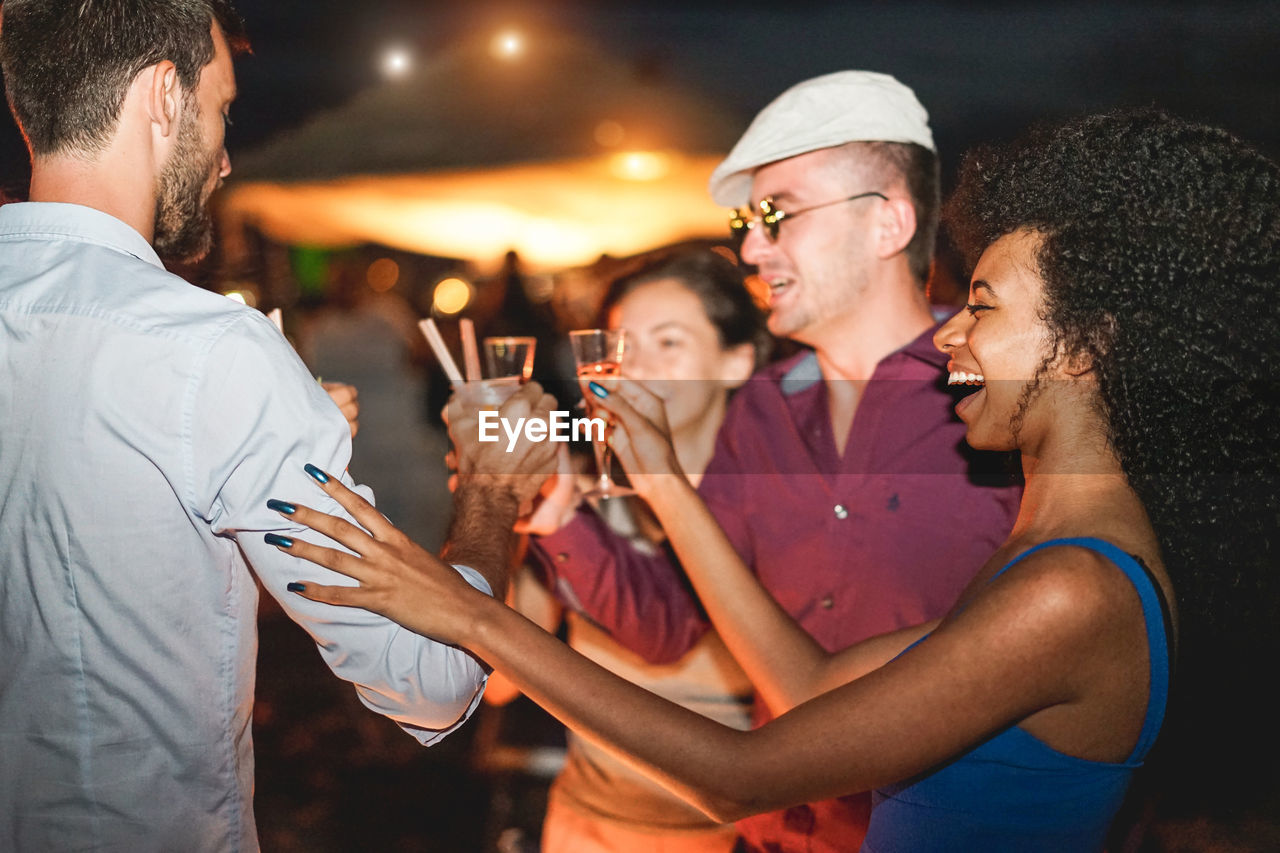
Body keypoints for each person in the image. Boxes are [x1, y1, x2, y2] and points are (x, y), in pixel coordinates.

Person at [271, 107, 1278, 850]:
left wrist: (468, 613)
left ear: (1079, 347)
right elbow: (797, 689)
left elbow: (733, 774)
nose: (952, 334)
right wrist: (660, 481)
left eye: (979, 304)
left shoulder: (1070, 588)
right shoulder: (1048, 552)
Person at [0, 2, 555, 849]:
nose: (224, 158)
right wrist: (492, 489)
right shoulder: (210, 351)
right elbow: (428, 677)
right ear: (161, 95)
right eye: (221, 107)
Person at [525, 70, 1021, 850]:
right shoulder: (759, 411)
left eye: (778, 215)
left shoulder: (998, 399)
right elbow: (667, 623)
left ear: (888, 222)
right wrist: (556, 507)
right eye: (748, 222)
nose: (751, 247)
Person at [492, 248, 770, 852]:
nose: (635, 368)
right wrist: (498, 515)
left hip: (727, 836)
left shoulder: (773, 508)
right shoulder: (578, 493)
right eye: (620, 345)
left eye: (668, 343)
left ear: (737, 360)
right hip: (586, 826)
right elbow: (496, 685)